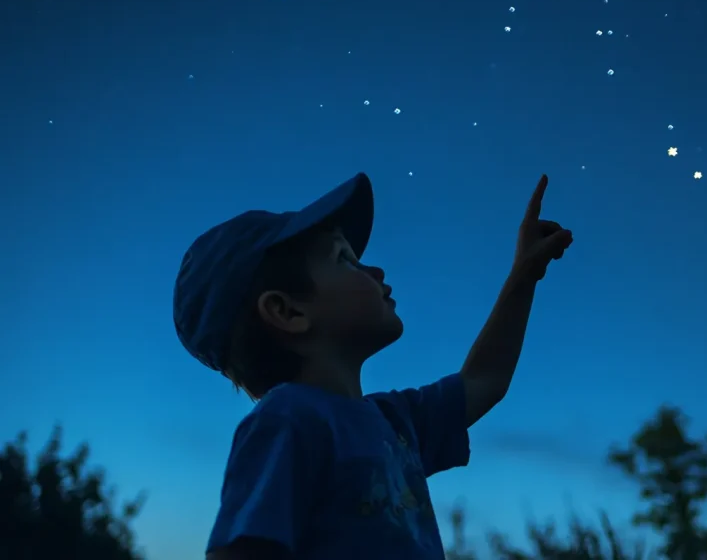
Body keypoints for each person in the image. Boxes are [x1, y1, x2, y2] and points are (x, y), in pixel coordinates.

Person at [172, 172, 573, 560]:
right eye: (343, 258)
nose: (374, 269)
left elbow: (484, 380)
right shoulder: (288, 420)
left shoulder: (396, 421)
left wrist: (523, 275)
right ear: (287, 310)